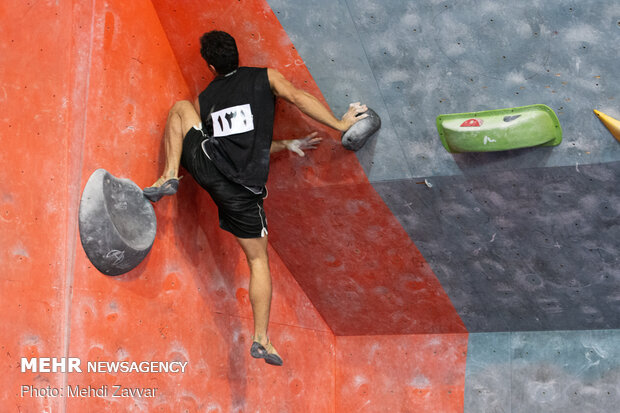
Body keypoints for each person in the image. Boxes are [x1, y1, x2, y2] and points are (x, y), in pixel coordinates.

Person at [143, 30, 368, 366]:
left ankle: (169, 175)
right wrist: (338, 123)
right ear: (237, 53)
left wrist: (284, 144)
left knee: (180, 108)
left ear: (210, 65)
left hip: (206, 169)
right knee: (257, 261)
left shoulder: (205, 99)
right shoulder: (266, 77)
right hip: (241, 195)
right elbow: (297, 97)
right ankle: (261, 338)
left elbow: (231, 141)